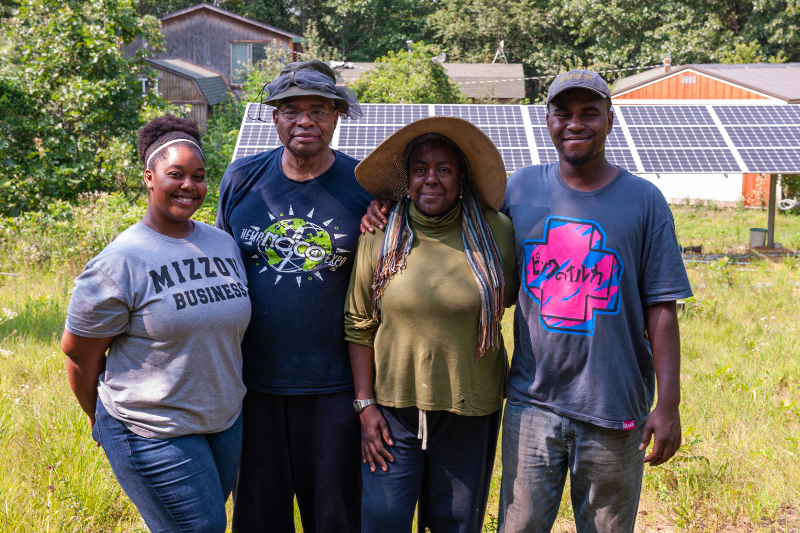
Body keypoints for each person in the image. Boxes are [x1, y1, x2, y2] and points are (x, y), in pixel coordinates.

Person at [361, 70, 693, 533]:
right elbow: (450, 217)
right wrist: (386, 206)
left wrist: (669, 403)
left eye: (589, 113)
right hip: (532, 400)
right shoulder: (518, 191)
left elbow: (661, 306)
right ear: (548, 120)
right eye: (563, 113)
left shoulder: (644, 201)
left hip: (613, 404)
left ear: (610, 120)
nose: (575, 123)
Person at [61, 115, 251, 533]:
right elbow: (78, 353)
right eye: (176, 174)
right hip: (151, 428)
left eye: (199, 176)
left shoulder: (222, 244)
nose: (189, 185)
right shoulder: (121, 261)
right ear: (149, 178)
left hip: (222, 422)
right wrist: (99, 419)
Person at [215, 59, 372, 533]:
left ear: (336, 116)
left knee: (335, 517)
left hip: (334, 386)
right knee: (259, 517)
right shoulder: (242, 179)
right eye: (291, 110)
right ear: (274, 117)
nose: (305, 121)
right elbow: (221, 269)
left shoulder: (366, 186)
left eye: (318, 110)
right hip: (253, 385)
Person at [345, 117, 518, 533]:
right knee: (384, 518)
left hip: (469, 407)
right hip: (393, 410)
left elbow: (512, 297)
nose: (432, 179)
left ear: (462, 177)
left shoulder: (496, 230)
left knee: (455, 521)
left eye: (444, 169)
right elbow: (358, 323)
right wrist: (365, 406)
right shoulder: (379, 232)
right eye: (420, 169)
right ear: (407, 179)